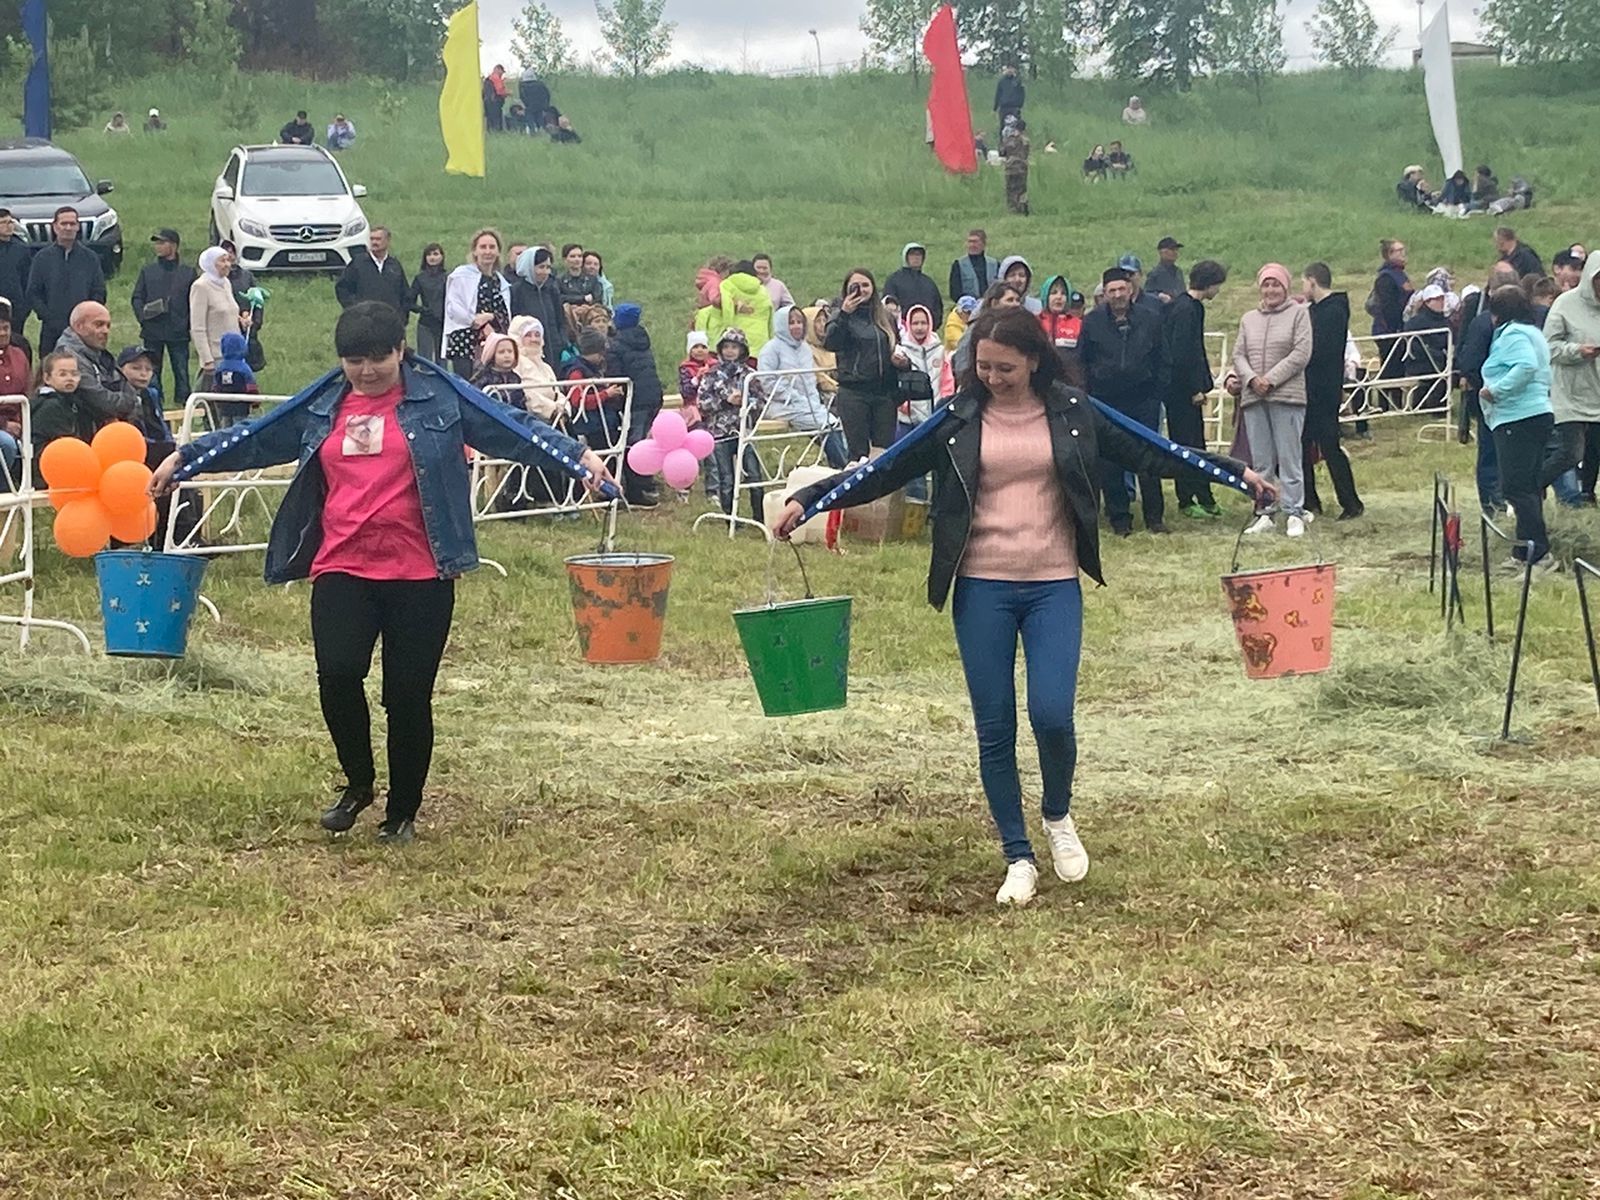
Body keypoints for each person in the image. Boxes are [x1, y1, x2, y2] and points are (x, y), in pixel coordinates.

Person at [774, 310, 1270, 905]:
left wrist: (1234, 473)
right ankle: (1017, 854)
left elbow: (1152, 451)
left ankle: (1057, 815)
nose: (993, 377)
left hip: (1053, 585)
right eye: (982, 367)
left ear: (1034, 360)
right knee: (995, 727)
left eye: (1004, 368)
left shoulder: (1073, 410)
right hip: (981, 586)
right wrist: (811, 497)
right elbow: (884, 470)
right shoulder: (957, 417)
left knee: (1053, 715)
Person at [149, 302, 612, 841]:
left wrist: (579, 457)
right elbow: (257, 436)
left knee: (407, 695)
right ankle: (358, 783)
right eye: (353, 360)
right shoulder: (324, 404)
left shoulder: (440, 396)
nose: (366, 371)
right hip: (343, 563)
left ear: (400, 351)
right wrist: (187, 459)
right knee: (338, 676)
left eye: (377, 359)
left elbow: (513, 429)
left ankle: (403, 811)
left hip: (422, 571)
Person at [1080, 268, 1168, 536]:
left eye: (1121, 289)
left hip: (1144, 400)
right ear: (1104, 294)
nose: (1117, 295)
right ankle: (1120, 518)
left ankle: (1155, 517)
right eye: (1111, 291)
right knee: (1110, 461)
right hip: (1106, 402)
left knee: (1150, 458)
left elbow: (1163, 358)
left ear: (1131, 290)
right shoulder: (1092, 322)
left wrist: (1156, 394)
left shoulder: (1152, 319)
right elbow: (1083, 362)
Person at [1477, 287, 1557, 572]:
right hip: (1538, 413)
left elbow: (1525, 366)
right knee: (1529, 486)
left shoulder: (1512, 335)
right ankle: (1525, 550)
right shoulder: (1533, 332)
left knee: (1516, 487)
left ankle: (1538, 552)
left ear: (1497, 313)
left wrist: (1496, 391)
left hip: (1517, 416)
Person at [1234, 264, 1314, 538]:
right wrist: (1252, 379)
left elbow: (1301, 352)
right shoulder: (1248, 319)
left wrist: (1271, 379)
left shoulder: (1299, 315)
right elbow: (1239, 354)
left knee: (1290, 458)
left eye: (1276, 285)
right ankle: (1265, 511)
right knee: (1261, 461)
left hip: (1287, 396)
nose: (1270, 290)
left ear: (1286, 287)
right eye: (1266, 285)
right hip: (1254, 397)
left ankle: (1294, 512)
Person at [1162, 260, 1227, 519]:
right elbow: (1184, 353)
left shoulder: (1180, 305)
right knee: (1190, 445)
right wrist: (1194, 388)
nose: (1218, 290)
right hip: (1182, 391)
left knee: (1190, 442)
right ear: (1209, 283)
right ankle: (1190, 498)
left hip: (1179, 388)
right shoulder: (1189, 309)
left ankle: (1200, 495)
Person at [1300, 262, 1363, 521]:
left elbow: (1320, 350)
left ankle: (1350, 502)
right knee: (1303, 445)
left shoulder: (1333, 311)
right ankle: (1309, 500)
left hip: (1323, 390)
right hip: (1310, 388)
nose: (1302, 288)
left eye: (1304, 282)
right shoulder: (1316, 310)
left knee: (1328, 445)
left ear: (1313, 281)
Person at [1457, 263, 1518, 515]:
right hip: (1509, 398)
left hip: (1492, 398)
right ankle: (1498, 505)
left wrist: (1483, 387)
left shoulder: (1483, 323)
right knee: (1502, 454)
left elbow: (1467, 361)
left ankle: (1494, 506)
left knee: (1492, 454)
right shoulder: (1524, 322)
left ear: (1490, 291)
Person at [825, 269, 904, 461]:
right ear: (847, 290)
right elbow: (831, 343)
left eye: (866, 285)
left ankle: (883, 491)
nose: (861, 290)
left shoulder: (886, 317)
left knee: (883, 454)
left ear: (873, 288)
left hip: (884, 393)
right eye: (855, 286)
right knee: (858, 454)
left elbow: (897, 346)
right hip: (854, 392)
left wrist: (901, 361)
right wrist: (844, 314)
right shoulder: (839, 316)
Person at [1540, 253, 1600, 507]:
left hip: (1598, 390)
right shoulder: (1565, 304)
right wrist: (1577, 351)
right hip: (1571, 390)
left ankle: (1586, 495)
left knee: (1595, 448)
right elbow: (1549, 347)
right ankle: (1531, 486)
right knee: (1570, 452)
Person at [757, 305, 847, 470]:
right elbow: (767, 381)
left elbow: (809, 380)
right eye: (791, 322)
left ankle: (840, 467)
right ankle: (845, 468)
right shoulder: (771, 349)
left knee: (833, 424)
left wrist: (812, 402)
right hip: (781, 404)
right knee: (826, 425)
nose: (796, 326)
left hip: (808, 402)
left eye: (800, 322)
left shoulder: (805, 348)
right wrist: (794, 397)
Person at [697, 328, 767, 518]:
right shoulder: (711, 374)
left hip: (744, 431)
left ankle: (760, 516)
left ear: (742, 350)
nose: (729, 351)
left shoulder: (749, 374)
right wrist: (726, 400)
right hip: (720, 432)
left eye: (734, 347)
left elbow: (761, 401)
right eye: (726, 347)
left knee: (754, 475)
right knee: (726, 478)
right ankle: (730, 517)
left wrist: (745, 401)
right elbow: (702, 402)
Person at [26, 207, 107, 355]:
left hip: (83, 330)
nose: (68, 228)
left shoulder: (90, 258)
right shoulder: (42, 258)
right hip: (51, 330)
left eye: (72, 224)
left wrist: (87, 318)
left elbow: (99, 291)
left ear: (77, 227)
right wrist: (49, 317)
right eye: (64, 224)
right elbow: (33, 293)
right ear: (55, 226)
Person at [605, 302, 663, 507]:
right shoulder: (642, 340)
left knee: (631, 443)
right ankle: (644, 482)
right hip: (653, 396)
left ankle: (635, 489)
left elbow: (615, 376)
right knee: (642, 441)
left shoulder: (616, 346)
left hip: (634, 400)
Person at [130, 228, 196, 406]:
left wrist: (187, 323)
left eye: (162, 242)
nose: (158, 247)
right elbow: (137, 297)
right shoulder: (148, 271)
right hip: (153, 330)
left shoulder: (188, 272)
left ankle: (183, 405)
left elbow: (195, 301)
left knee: (181, 371)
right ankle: (154, 404)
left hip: (179, 331)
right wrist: (143, 317)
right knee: (151, 372)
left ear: (173, 245)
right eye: (157, 243)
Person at [443, 230, 511, 377]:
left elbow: (505, 313)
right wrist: (476, 321)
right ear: (475, 251)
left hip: (493, 341)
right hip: (465, 341)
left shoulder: (500, 282)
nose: (488, 251)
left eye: (492, 247)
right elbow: (453, 307)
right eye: (483, 247)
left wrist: (490, 317)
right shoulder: (461, 275)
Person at [55, 301, 130, 427]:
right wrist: (131, 401)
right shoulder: (69, 357)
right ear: (79, 326)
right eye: (99, 324)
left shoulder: (101, 354)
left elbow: (126, 385)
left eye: (108, 326)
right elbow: (100, 401)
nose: (105, 331)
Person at [189, 246, 247, 392]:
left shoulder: (225, 283)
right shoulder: (200, 287)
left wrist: (242, 320)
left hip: (233, 354)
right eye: (222, 261)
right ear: (210, 264)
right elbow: (197, 326)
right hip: (216, 355)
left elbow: (227, 310)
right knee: (209, 398)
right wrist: (206, 359)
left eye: (228, 260)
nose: (227, 264)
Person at [1369, 238, 1413, 414]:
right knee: (1389, 367)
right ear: (1389, 255)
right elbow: (1388, 307)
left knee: (1398, 366)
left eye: (1403, 250)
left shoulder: (1401, 274)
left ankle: (1397, 403)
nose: (1403, 254)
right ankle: (1384, 404)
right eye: (1398, 251)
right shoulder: (1386, 278)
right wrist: (1396, 328)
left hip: (1399, 328)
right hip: (1387, 330)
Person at [564, 327, 625, 452]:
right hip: (591, 427)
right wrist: (606, 394)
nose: (603, 357)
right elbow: (577, 400)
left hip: (601, 423)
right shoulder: (576, 372)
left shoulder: (590, 368)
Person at [336, 227, 410, 319]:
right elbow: (343, 288)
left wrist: (402, 317)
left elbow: (404, 293)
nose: (374, 242)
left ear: (388, 240)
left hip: (390, 321)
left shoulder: (394, 265)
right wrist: (355, 309)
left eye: (378, 239)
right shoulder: (358, 263)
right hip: (364, 320)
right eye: (372, 239)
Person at [511, 247, 566, 369]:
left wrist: (562, 342)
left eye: (548, 267)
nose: (545, 272)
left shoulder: (552, 290)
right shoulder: (517, 291)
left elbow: (560, 320)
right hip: (529, 353)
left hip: (555, 349)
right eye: (541, 267)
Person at [705, 260, 774, 355]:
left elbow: (727, 308)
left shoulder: (727, 284)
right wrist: (771, 338)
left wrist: (727, 328)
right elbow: (770, 315)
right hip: (760, 340)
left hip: (736, 341)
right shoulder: (763, 290)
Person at [1402, 283, 1452, 406]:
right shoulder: (1415, 322)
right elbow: (1413, 346)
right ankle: (1430, 404)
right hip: (1420, 362)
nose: (1440, 302)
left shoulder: (1446, 321)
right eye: (1436, 299)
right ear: (1427, 302)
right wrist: (1436, 354)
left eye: (1442, 298)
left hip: (1441, 361)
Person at [506, 316, 562, 422]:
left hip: (556, 419)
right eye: (528, 335)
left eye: (537, 335)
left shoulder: (546, 367)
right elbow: (526, 394)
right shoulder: (515, 363)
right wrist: (551, 410)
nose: (534, 339)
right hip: (531, 420)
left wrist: (563, 409)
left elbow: (558, 392)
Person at [1036, 276, 1083, 384]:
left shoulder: (1078, 324)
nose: (1059, 297)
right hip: (1040, 382)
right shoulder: (1034, 322)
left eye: (1063, 293)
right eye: (1054, 292)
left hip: (1070, 384)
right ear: (1045, 296)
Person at [887, 243, 944, 328]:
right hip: (901, 331)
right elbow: (888, 305)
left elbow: (937, 307)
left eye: (919, 254)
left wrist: (932, 326)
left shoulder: (929, 283)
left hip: (927, 331)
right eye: (912, 254)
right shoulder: (894, 280)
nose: (916, 257)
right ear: (905, 257)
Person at [407, 243, 448, 363]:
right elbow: (409, 301)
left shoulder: (448, 277)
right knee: (425, 361)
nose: (432, 257)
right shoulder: (420, 278)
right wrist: (422, 310)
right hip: (426, 323)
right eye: (429, 254)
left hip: (443, 324)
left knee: (442, 361)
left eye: (436, 254)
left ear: (442, 256)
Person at [210, 331, 260, 425]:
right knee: (239, 427)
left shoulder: (220, 368)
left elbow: (215, 388)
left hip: (224, 407)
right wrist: (255, 402)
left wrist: (217, 402)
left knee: (226, 427)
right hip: (241, 407)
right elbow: (251, 387)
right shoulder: (244, 368)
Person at [0, 210, 31, 346]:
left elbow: (27, 278)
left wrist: (25, 305)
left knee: (15, 342)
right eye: (3, 223)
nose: (9, 226)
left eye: (10, 222)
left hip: (16, 307)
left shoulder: (21, 249)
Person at [948, 231, 998, 305]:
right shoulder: (958, 264)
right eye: (969, 242)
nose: (972, 245)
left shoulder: (994, 264)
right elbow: (955, 292)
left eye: (975, 242)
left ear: (983, 244)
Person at [1002, 119, 1030, 216]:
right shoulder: (1026, 141)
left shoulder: (1009, 139)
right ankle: (1022, 205)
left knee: (1010, 189)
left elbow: (1003, 152)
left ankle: (1012, 209)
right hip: (1022, 167)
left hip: (1010, 167)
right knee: (1021, 189)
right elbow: (1026, 154)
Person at [1145, 237, 1185, 302]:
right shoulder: (1154, 274)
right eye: (1172, 249)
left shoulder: (1178, 272)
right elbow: (1147, 294)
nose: (1175, 252)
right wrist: (1159, 295)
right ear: (1162, 252)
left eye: (1176, 249)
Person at [482, 65, 508, 132]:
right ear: (498, 69)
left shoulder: (488, 79)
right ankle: (498, 133)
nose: (502, 74)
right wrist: (508, 93)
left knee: (490, 120)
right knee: (497, 120)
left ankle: (490, 132)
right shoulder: (496, 78)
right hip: (495, 102)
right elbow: (499, 91)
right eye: (502, 71)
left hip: (487, 101)